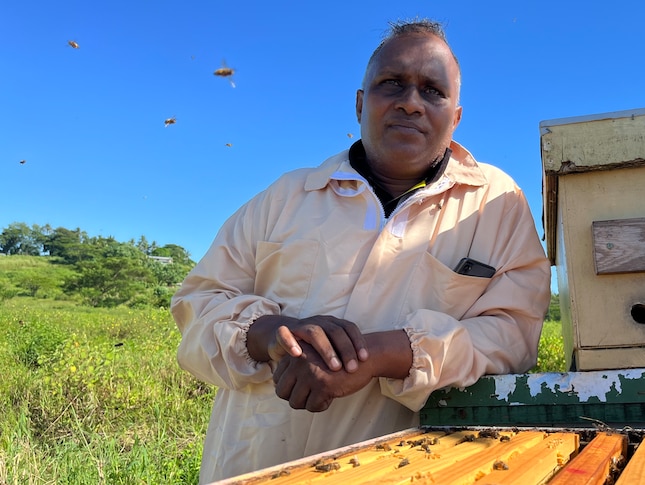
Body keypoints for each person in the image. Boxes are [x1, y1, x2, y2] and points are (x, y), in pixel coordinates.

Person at [171, 19, 551, 483]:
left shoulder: (498, 203)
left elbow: (514, 334)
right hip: (250, 464)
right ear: (359, 103)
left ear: (455, 118)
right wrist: (271, 334)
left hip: (400, 469)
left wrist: (384, 354)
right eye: (392, 84)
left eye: (432, 91)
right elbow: (197, 305)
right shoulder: (286, 196)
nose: (410, 102)